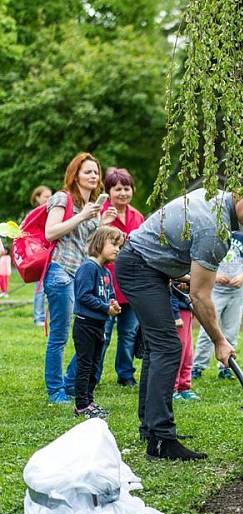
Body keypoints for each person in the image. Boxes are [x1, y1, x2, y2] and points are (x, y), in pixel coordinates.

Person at [115, 172, 243, 460]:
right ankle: (161, 440)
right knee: (168, 348)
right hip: (139, 267)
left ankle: (151, 428)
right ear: (239, 191)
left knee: (160, 347)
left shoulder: (214, 197)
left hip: (147, 265)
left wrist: (179, 275)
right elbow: (200, 297)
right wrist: (220, 341)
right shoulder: (216, 229)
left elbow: (180, 253)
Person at [43, 153, 117, 405]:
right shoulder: (62, 198)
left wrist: (102, 223)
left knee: (93, 331)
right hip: (61, 273)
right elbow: (50, 232)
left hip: (82, 276)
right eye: (87, 171)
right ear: (75, 175)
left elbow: (87, 246)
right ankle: (56, 391)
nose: (93, 176)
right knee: (60, 335)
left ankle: (72, 382)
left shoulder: (94, 206)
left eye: (96, 172)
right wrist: (83, 215)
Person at [64, 168, 145, 390]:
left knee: (129, 334)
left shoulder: (137, 216)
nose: (123, 193)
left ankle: (126, 375)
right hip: (106, 284)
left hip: (131, 285)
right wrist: (102, 224)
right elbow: (89, 246)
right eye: (117, 189)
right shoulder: (102, 214)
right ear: (108, 191)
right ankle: (91, 376)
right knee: (103, 336)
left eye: (126, 188)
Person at [72, 226, 124, 418]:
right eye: (114, 244)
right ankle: (81, 405)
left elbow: (109, 295)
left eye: (119, 246)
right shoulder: (88, 268)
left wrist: (113, 304)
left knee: (95, 365)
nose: (117, 249)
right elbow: (83, 296)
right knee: (85, 364)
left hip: (99, 325)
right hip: (85, 324)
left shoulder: (106, 272)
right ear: (99, 243)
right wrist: (105, 308)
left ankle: (89, 400)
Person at [192, 229, 243, 380]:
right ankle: (198, 366)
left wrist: (241, 277)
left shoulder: (241, 238)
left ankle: (226, 367)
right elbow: (202, 264)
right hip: (215, 291)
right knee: (208, 330)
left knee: (231, 331)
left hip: (235, 292)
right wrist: (216, 276)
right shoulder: (212, 235)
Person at [171, 284, 199, 400]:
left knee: (188, 353)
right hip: (177, 312)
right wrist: (175, 315)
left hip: (187, 309)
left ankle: (184, 387)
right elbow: (170, 289)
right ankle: (172, 388)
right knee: (179, 351)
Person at [30, 185, 53, 324]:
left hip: (52, 253)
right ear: (37, 198)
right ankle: (38, 317)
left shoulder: (52, 212)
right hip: (40, 255)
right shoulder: (34, 214)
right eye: (46, 197)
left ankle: (47, 318)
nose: (49, 199)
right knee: (40, 287)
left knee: (52, 288)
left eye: (51, 196)